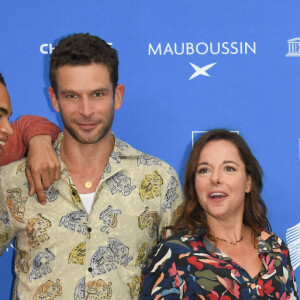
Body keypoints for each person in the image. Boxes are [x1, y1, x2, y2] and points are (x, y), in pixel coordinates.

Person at [0, 33, 184, 299]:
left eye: (97, 94)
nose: (86, 110)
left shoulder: (159, 179)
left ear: (117, 96)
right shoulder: (14, 180)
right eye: (72, 96)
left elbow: (180, 276)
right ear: (54, 99)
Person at [141, 129, 298, 299]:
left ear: (248, 182)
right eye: (204, 170)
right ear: (195, 185)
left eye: (229, 168)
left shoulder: (275, 247)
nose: (215, 178)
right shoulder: (171, 256)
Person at [0, 72, 61, 203]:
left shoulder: (7, 147)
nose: (8, 130)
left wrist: (40, 143)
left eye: (8, 118)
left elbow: (28, 124)